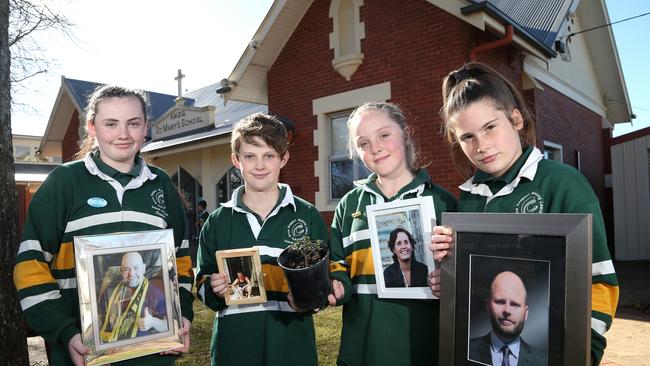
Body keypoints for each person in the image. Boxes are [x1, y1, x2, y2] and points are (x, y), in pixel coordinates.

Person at [429, 62, 619, 365]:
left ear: (515, 118)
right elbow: (476, 287)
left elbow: (601, 283)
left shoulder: (562, 184)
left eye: (490, 127)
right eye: (467, 137)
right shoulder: (467, 200)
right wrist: (448, 280)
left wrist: (584, 351)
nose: (482, 146)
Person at [13, 85, 193, 366]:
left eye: (133, 123)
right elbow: (30, 267)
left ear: (145, 127)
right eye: (111, 123)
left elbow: (180, 261)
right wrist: (66, 332)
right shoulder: (64, 183)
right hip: (81, 353)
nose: (123, 134)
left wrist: (179, 317)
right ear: (92, 127)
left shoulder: (162, 185)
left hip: (153, 354)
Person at [195, 112, 330, 366]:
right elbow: (201, 282)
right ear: (236, 160)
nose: (260, 165)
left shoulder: (306, 215)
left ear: (284, 158)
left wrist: (308, 299)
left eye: (269, 155)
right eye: (250, 156)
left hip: (291, 348)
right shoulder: (217, 222)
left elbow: (322, 286)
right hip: (234, 349)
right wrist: (213, 288)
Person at [329, 102, 457, 365]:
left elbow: (462, 277)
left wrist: (449, 283)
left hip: (423, 348)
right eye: (363, 143)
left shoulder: (444, 203)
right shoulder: (349, 204)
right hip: (363, 347)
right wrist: (336, 283)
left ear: (406, 133)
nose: (375, 147)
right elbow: (336, 263)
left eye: (383, 135)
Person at [469, 271, 545, 366]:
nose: (507, 310)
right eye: (500, 302)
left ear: (525, 313)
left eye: (515, 304)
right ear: (488, 306)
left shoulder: (543, 361)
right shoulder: (465, 350)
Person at [99, 252, 168, 343]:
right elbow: (100, 317)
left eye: (136, 268)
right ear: (121, 271)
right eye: (126, 269)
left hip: (141, 348)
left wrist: (153, 322)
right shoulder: (110, 292)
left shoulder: (155, 293)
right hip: (111, 347)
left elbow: (168, 325)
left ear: (144, 268)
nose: (131, 274)